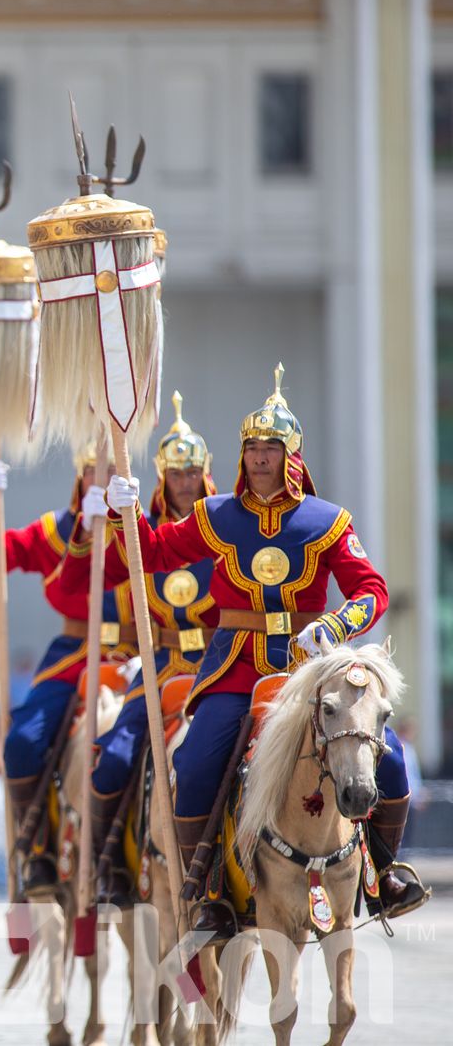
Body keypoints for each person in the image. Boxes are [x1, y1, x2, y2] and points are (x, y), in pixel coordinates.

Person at [104, 365, 424, 935]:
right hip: (236, 664)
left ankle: (382, 871)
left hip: (311, 667)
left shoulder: (328, 522)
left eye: (269, 448)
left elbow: (370, 589)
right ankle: (203, 887)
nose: (257, 458)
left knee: (391, 757)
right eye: (251, 447)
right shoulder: (215, 515)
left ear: (290, 455)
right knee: (196, 761)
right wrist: (119, 510)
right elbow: (148, 553)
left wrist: (334, 623)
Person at [58, 392, 217, 905]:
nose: (186, 482)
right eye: (177, 473)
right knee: (115, 758)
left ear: (205, 474)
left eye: (193, 473)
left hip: (218, 668)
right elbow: (79, 595)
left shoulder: (226, 531)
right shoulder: (139, 534)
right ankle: (107, 864)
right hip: (159, 666)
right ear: (164, 477)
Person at [0, 443, 134, 896]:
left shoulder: (146, 531)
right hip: (75, 652)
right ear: (79, 480)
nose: (97, 484)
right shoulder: (54, 530)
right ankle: (36, 849)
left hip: (139, 649)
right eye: (91, 476)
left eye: (108, 476)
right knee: (23, 743)